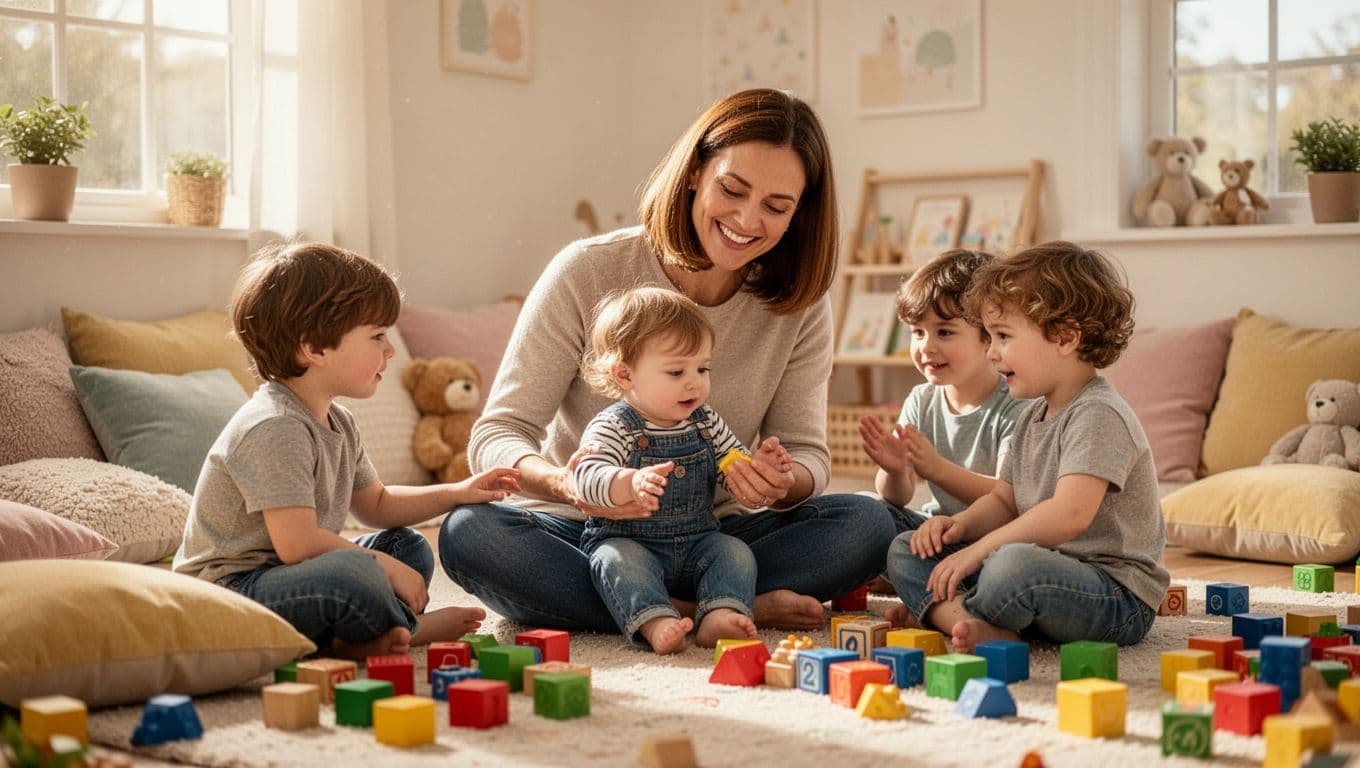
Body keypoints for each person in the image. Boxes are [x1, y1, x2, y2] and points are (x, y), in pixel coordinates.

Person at [438, 88, 896, 634]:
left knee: (868, 521)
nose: (748, 220)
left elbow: (807, 453)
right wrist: (567, 484)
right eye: (733, 189)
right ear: (696, 172)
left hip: (717, 539)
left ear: (801, 214)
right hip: (587, 534)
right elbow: (499, 433)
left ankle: (679, 598)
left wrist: (782, 481)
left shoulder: (798, 301)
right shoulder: (586, 271)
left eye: (777, 207)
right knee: (470, 531)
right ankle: (713, 607)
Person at [173, 242, 521, 660]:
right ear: (314, 348)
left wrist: (458, 492)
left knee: (406, 547)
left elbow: (377, 504)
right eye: (377, 336)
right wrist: (380, 567)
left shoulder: (338, 420)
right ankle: (409, 630)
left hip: (290, 576)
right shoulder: (274, 426)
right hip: (231, 593)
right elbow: (298, 545)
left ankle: (354, 639)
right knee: (358, 570)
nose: (390, 350)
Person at [884, 241, 1169, 653]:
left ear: (1066, 337)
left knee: (1010, 564)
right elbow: (1005, 500)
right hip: (1043, 570)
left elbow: (1068, 515)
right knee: (907, 548)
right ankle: (975, 623)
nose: (992, 351)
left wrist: (978, 551)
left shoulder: (1098, 413)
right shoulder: (1032, 414)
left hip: (1114, 595)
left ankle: (944, 613)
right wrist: (958, 529)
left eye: (1002, 336)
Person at [575, 287, 793, 653]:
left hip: (697, 543)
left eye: (702, 368)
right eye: (677, 371)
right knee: (613, 560)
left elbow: (732, 468)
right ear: (625, 375)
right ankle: (656, 620)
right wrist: (627, 482)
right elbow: (586, 478)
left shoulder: (705, 421)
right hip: (632, 542)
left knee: (734, 551)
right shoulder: (614, 425)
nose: (695, 382)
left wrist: (760, 468)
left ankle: (719, 615)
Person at [859, 249, 1028, 529]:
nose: (926, 346)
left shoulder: (1015, 404)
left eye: (944, 332)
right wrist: (895, 471)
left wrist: (937, 468)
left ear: (989, 337)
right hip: (936, 526)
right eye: (917, 332)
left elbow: (1008, 500)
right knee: (865, 506)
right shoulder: (921, 399)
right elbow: (897, 497)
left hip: (994, 536)